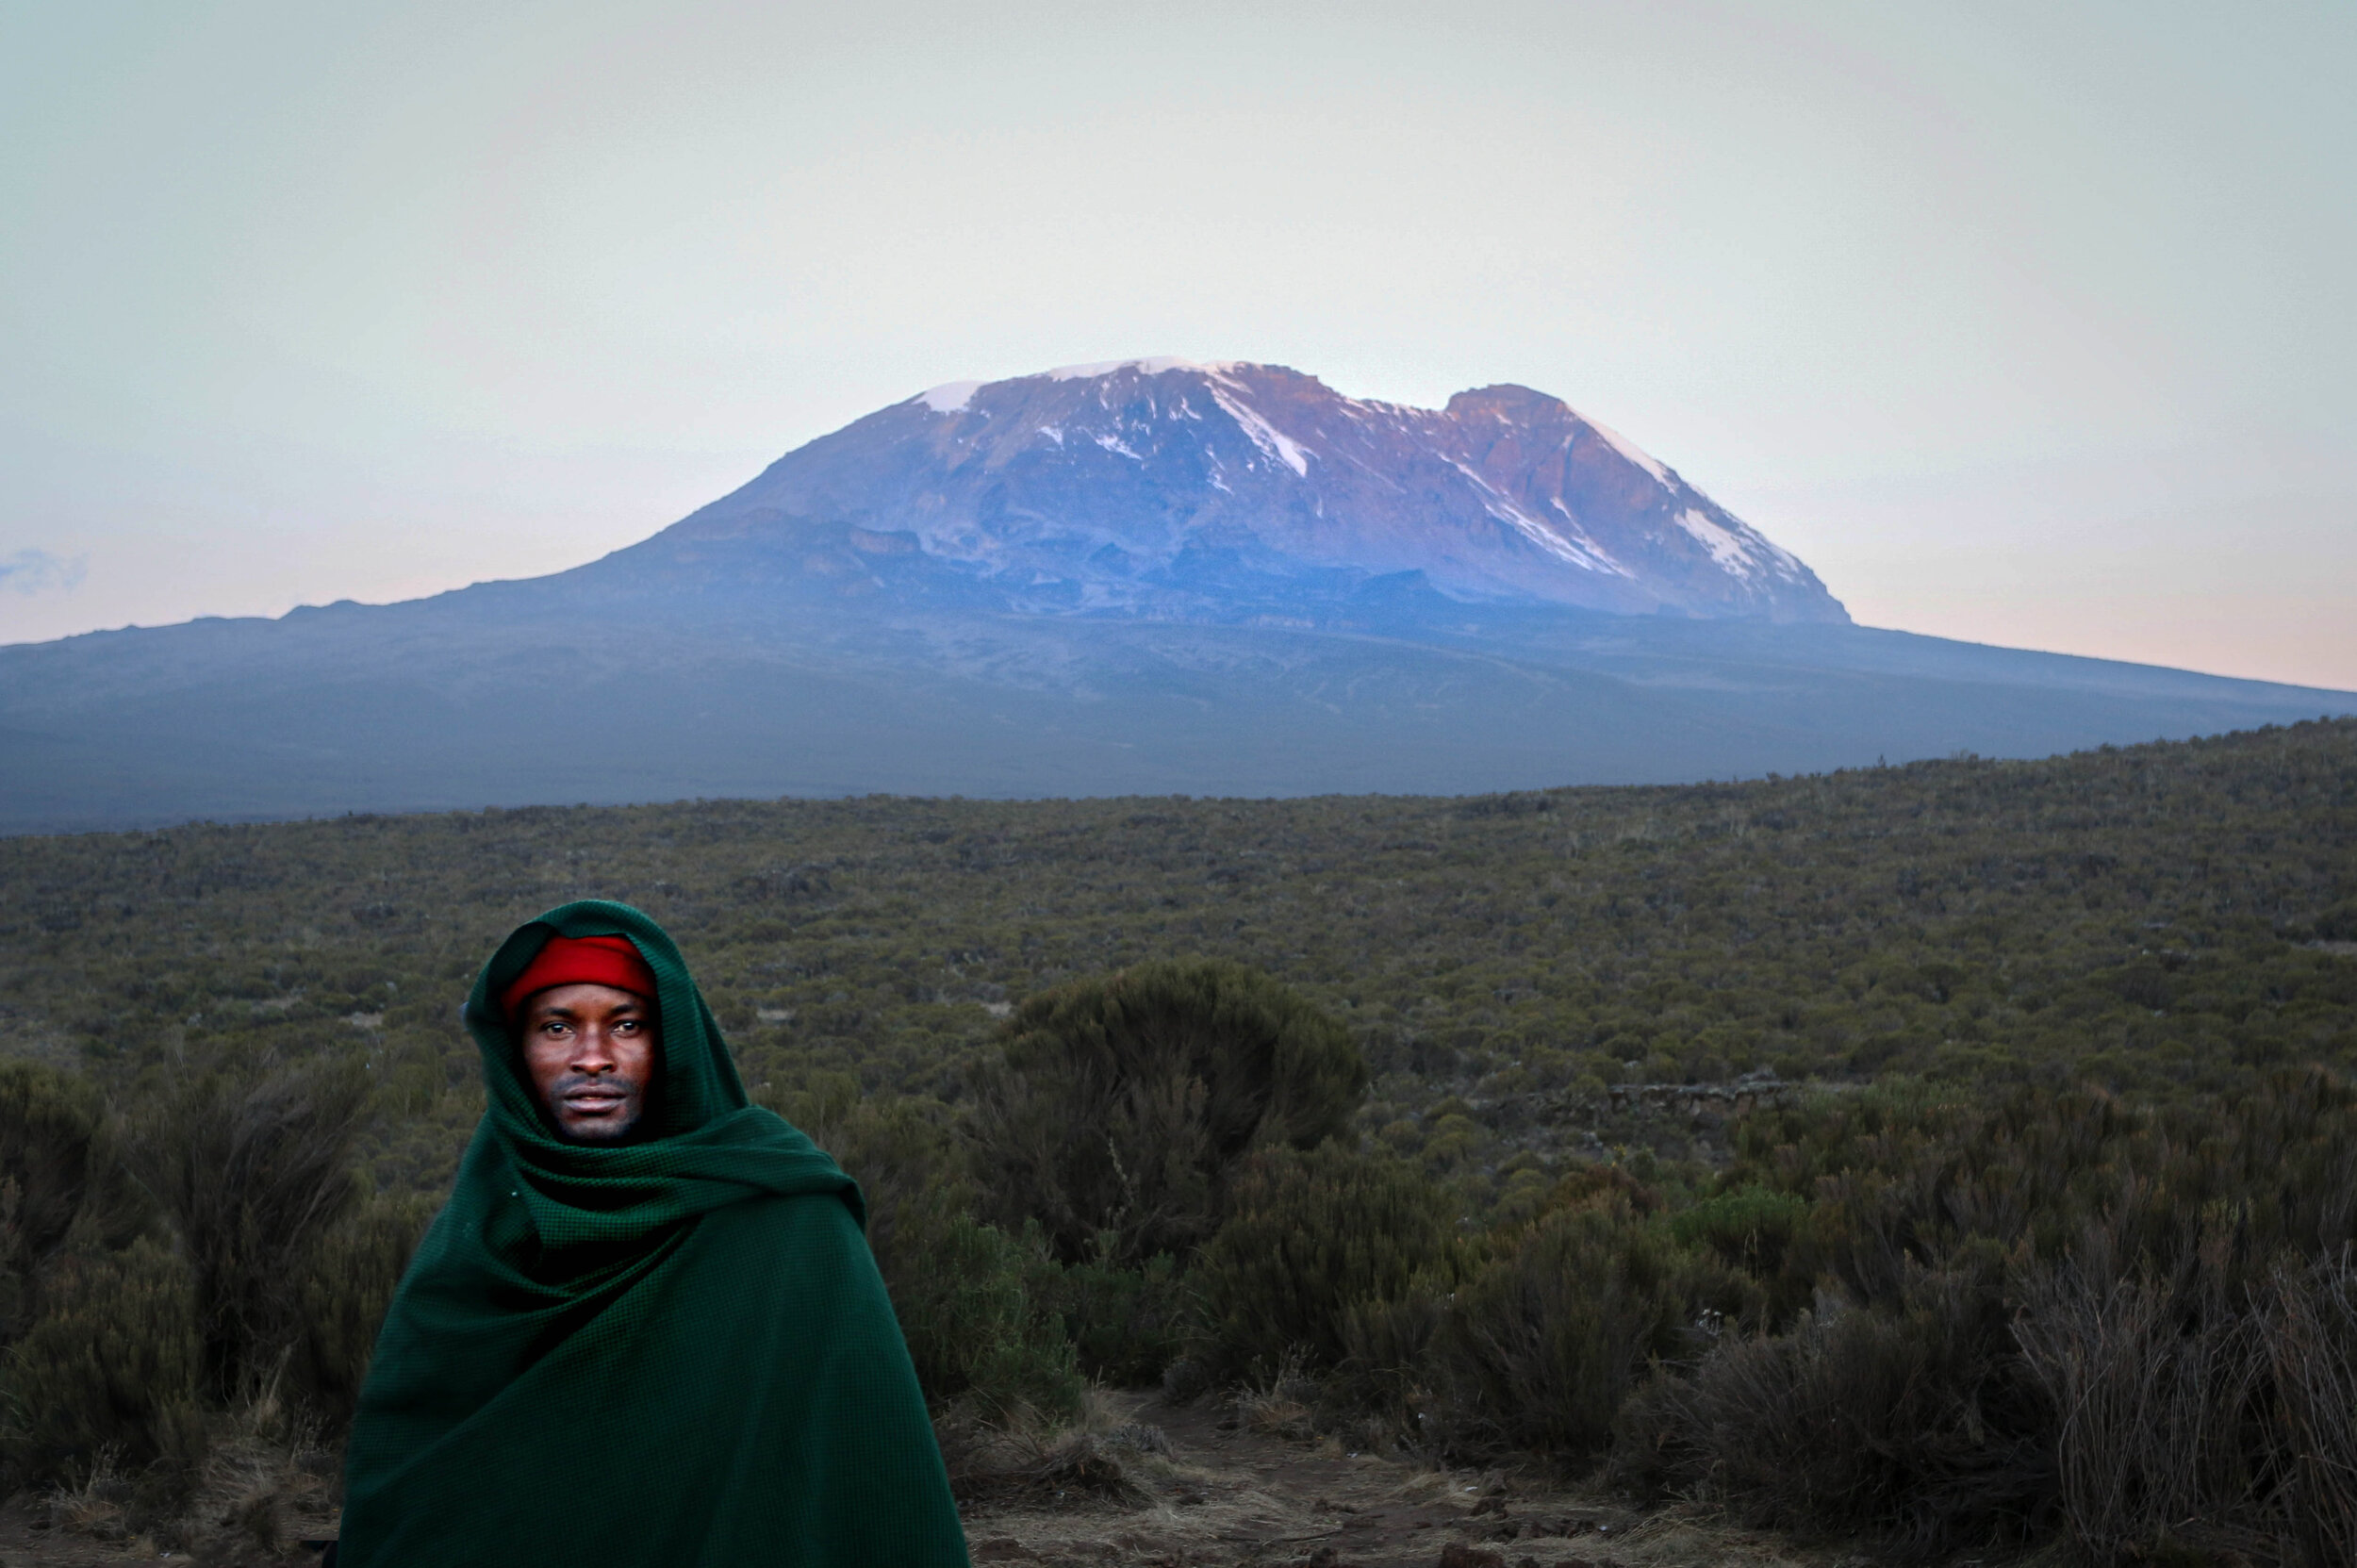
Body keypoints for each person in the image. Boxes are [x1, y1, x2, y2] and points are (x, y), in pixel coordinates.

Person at [334, 900, 969, 1567]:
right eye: (557, 1027)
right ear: (517, 1051)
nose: (592, 1057)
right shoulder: (479, 1236)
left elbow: (870, 1476)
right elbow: (415, 1484)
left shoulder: (785, 1220)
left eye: (626, 1024)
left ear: (670, 1045)